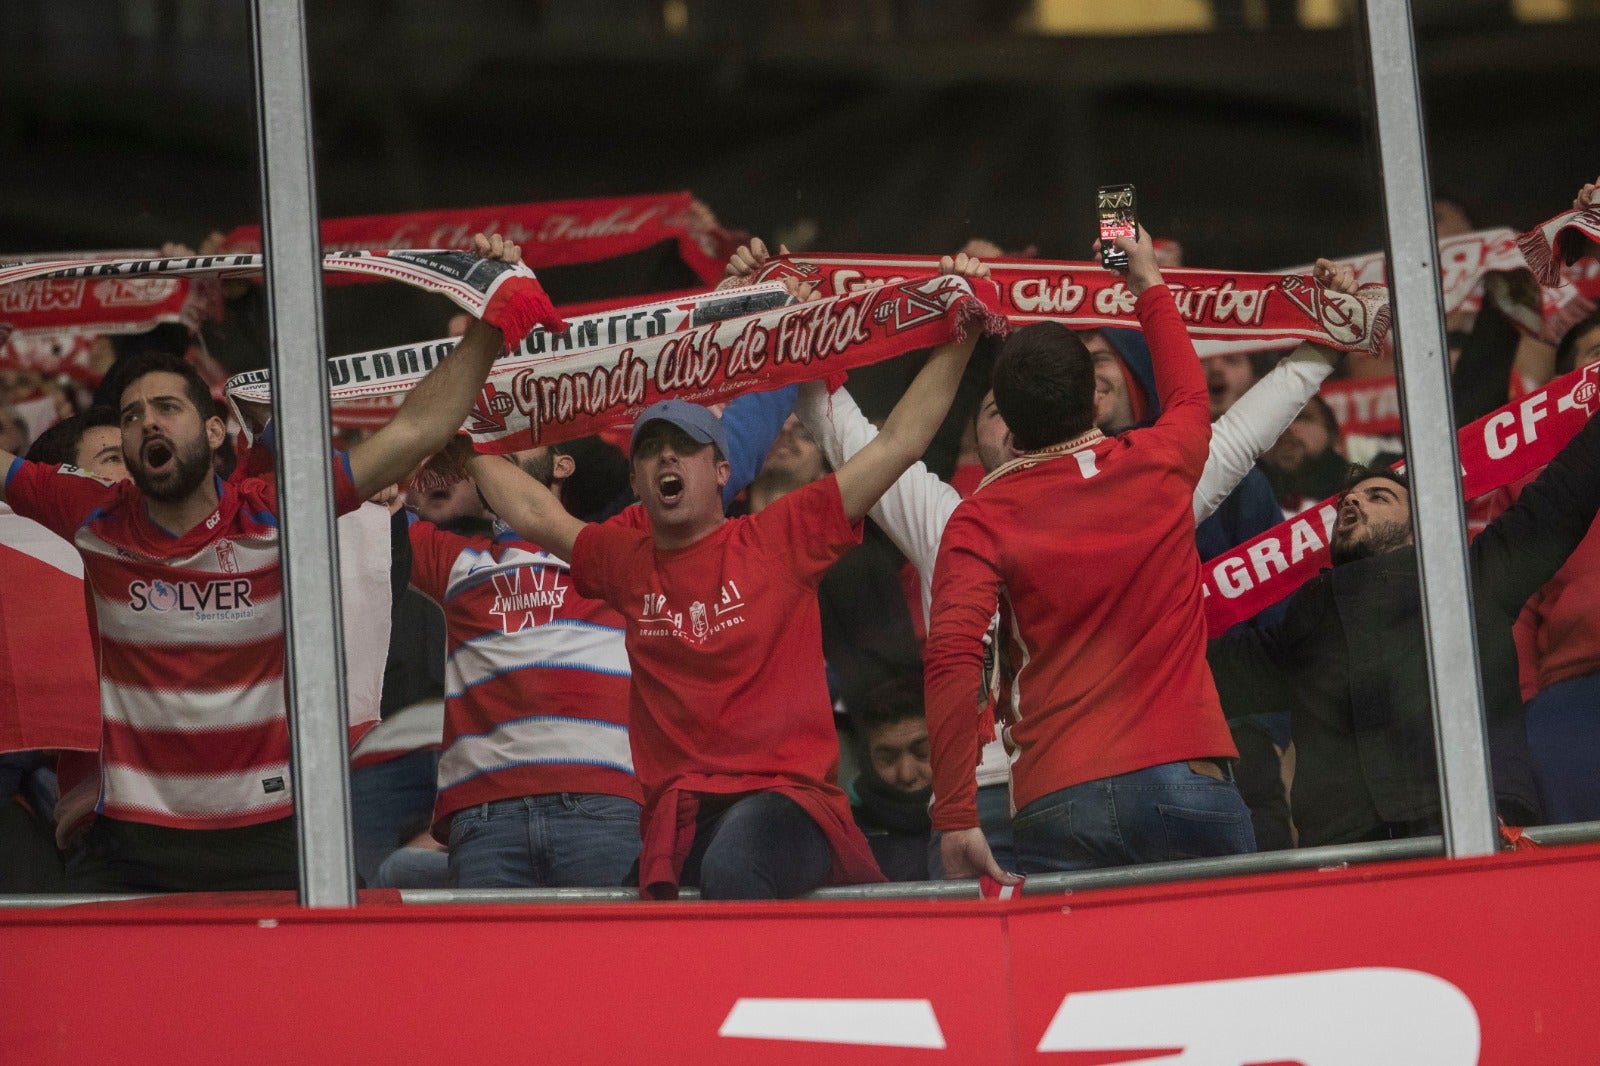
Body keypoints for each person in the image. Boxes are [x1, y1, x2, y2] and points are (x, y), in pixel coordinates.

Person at [0, 233, 529, 892]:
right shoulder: (91, 511)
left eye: (166, 407)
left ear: (216, 430)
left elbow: (415, 432)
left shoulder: (278, 506)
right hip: (129, 845)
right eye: (132, 417)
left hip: (276, 836)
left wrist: (490, 317)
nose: (146, 424)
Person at [791, 251, 1351, 872]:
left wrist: (1326, 337)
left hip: (1056, 794)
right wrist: (1150, 279)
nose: (1003, 425)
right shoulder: (1149, 474)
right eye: (990, 412)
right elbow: (847, 437)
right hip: (1059, 793)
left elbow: (1247, 428)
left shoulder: (1014, 512)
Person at [467, 254, 991, 899]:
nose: (667, 456)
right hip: (681, 818)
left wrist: (961, 336)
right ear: (635, 482)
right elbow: (531, 508)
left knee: (733, 871)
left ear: (722, 471)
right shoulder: (624, 561)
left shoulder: (781, 536)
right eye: (652, 449)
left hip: (785, 805)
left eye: (685, 446)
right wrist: (462, 437)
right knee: (627, 936)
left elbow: (899, 444)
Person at [924, 226, 1253, 883]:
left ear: (1009, 428)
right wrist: (1147, 282)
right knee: (1234, 978)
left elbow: (953, 657)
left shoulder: (979, 518)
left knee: (1095, 984)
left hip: (1058, 798)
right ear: (1096, 395)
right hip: (1185, 774)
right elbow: (1188, 395)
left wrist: (957, 813)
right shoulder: (1161, 460)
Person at [1208, 392, 1600, 844]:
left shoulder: (1472, 578)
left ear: (1424, 525)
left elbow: (1562, 498)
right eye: (1346, 504)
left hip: (1467, 827)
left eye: (1379, 497)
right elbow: (1200, 669)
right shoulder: (1304, 625)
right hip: (1347, 852)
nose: (1353, 505)